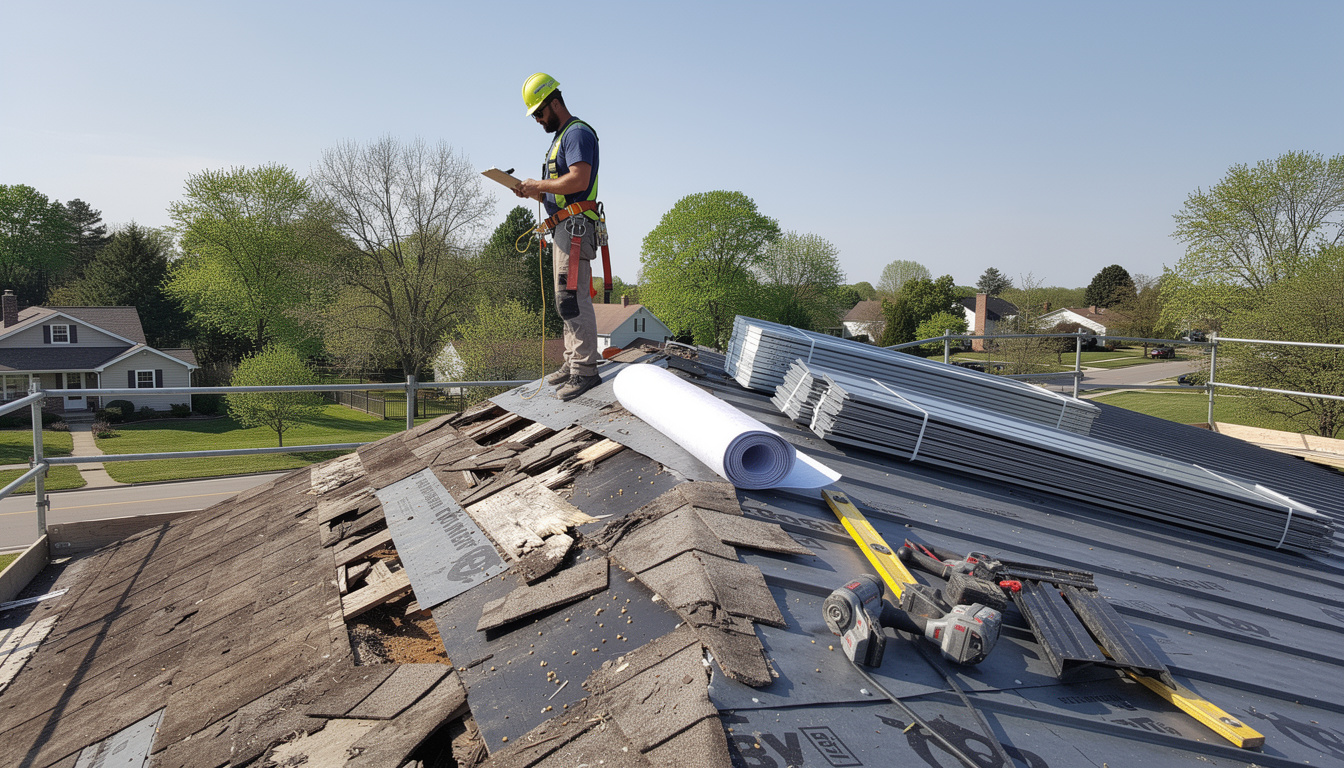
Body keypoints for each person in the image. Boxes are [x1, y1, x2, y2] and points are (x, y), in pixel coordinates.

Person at [514, 72, 603, 402]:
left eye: (539, 112)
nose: (537, 119)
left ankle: (585, 370)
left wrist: (538, 185)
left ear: (554, 103)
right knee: (564, 300)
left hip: (576, 228)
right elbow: (560, 193)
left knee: (573, 297)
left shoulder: (577, 133)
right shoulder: (560, 138)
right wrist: (533, 193)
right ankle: (572, 362)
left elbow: (579, 180)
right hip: (564, 226)